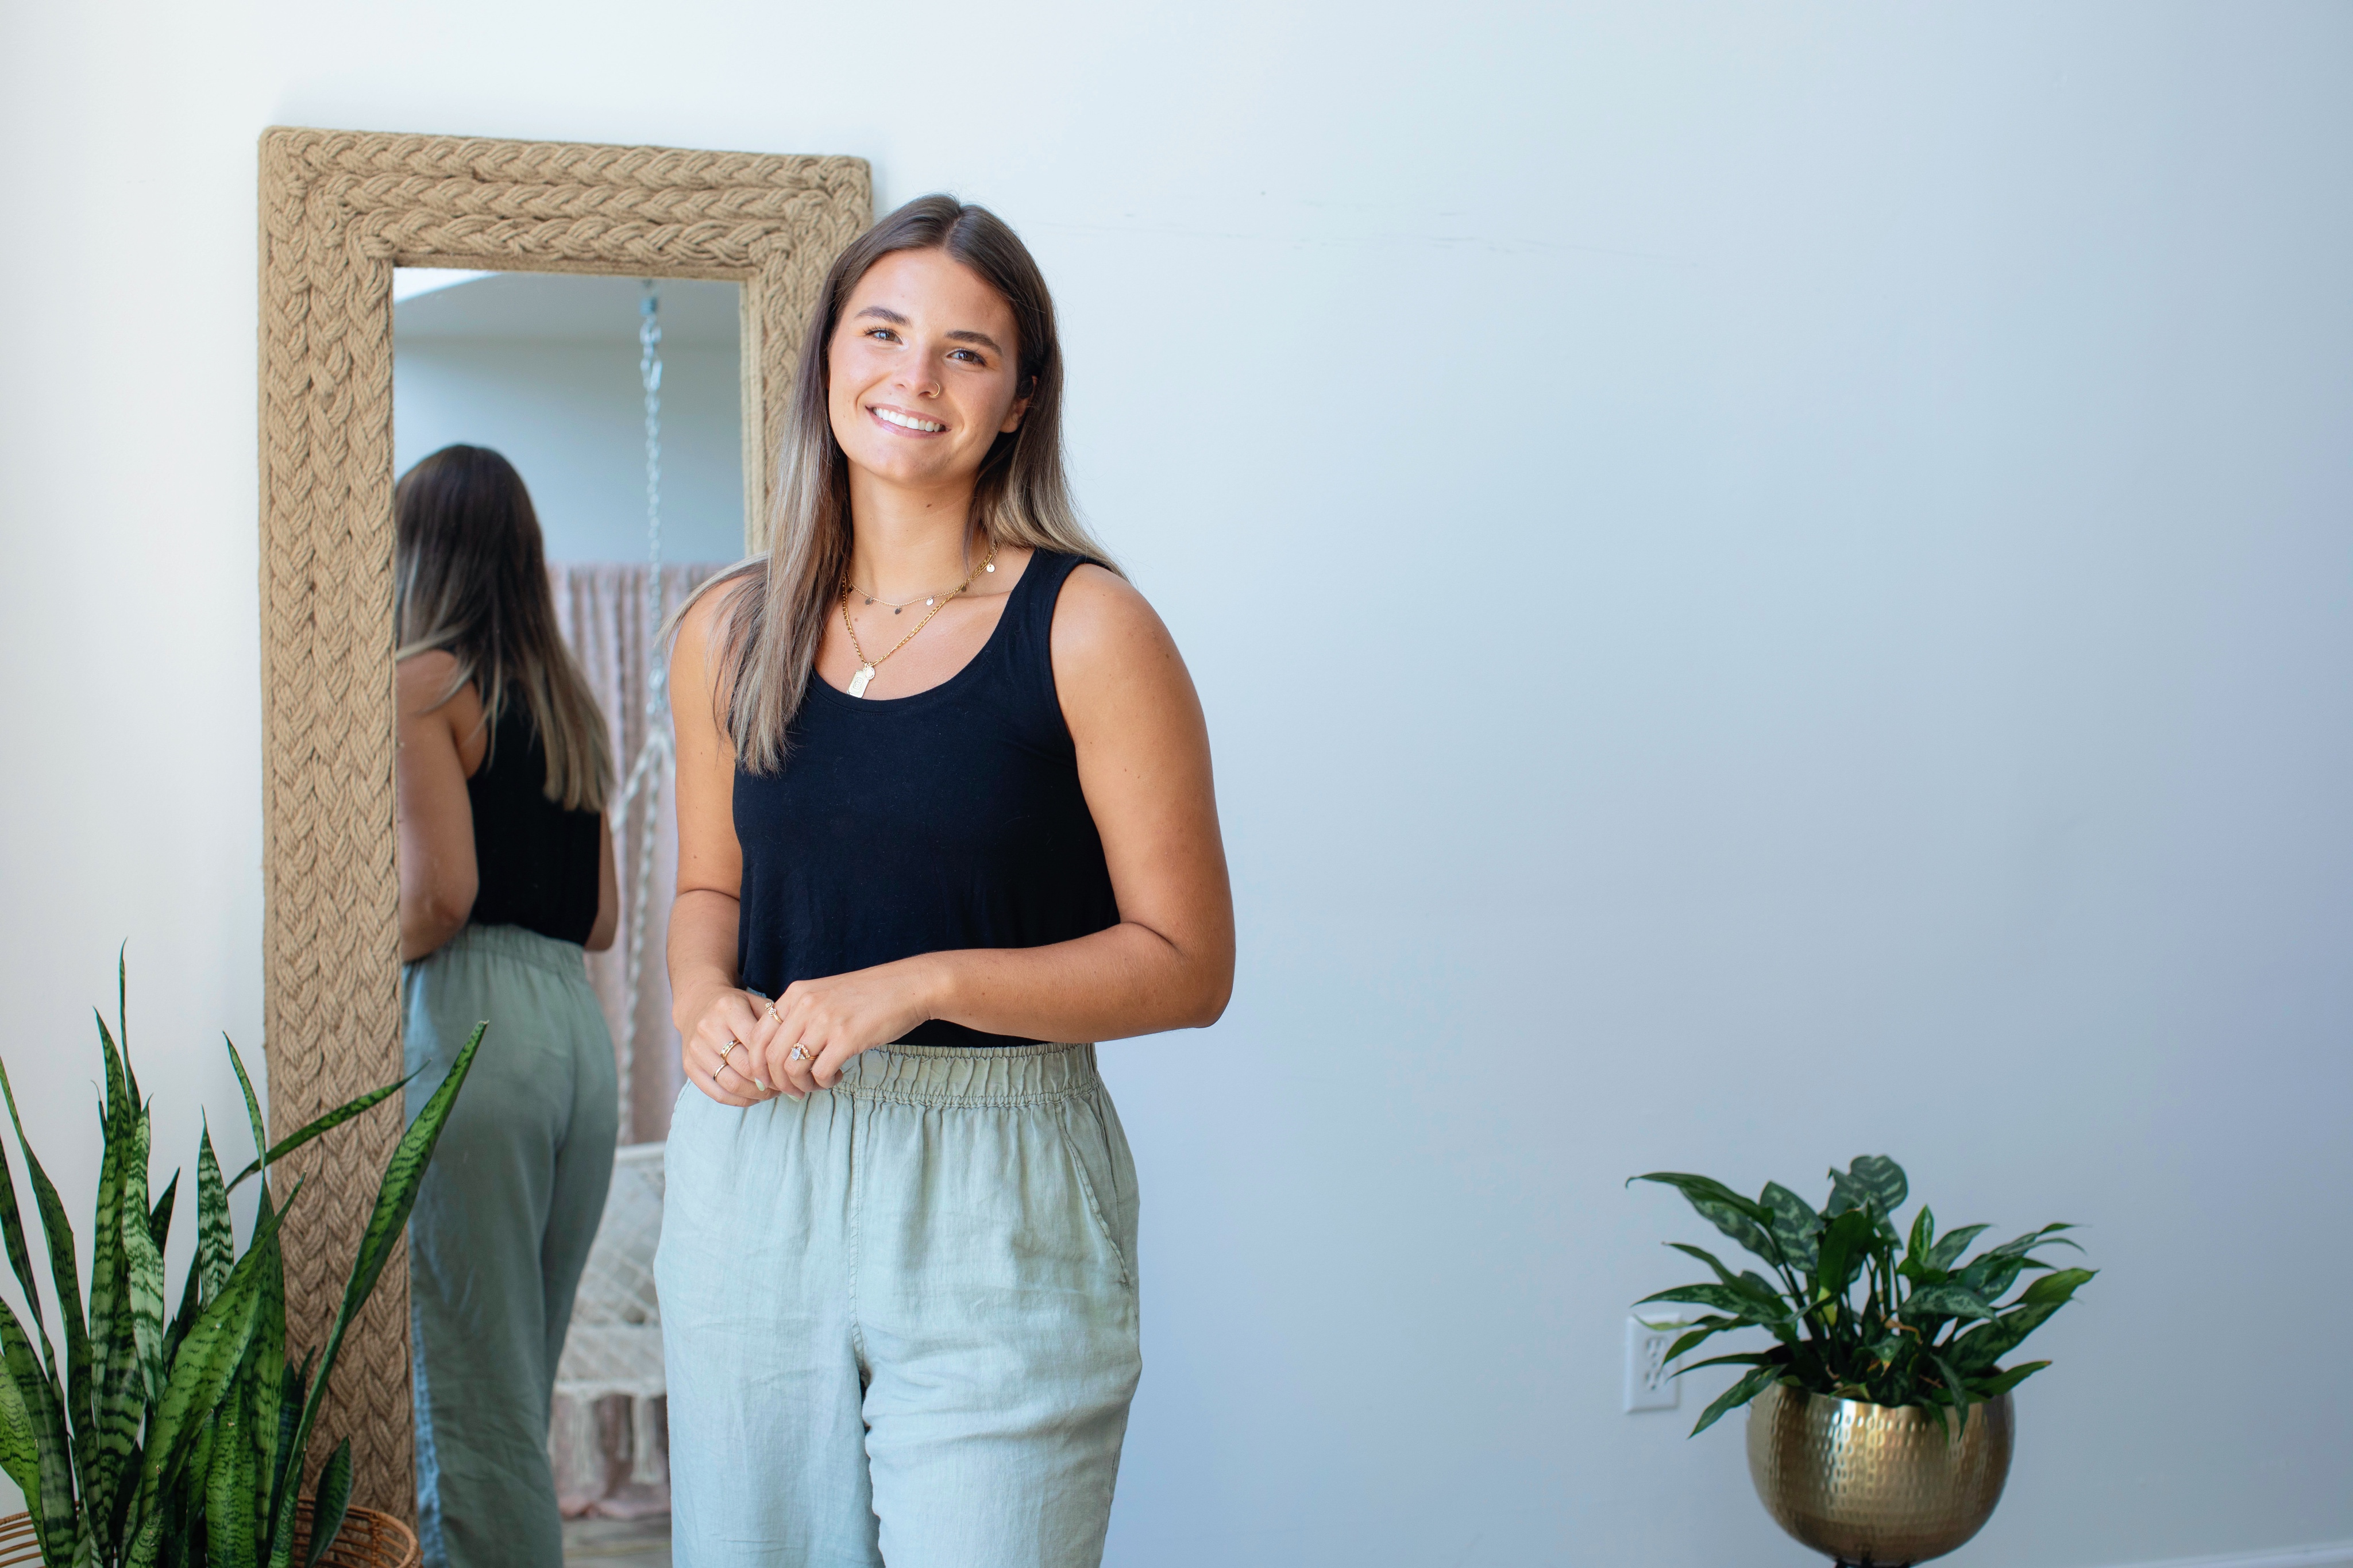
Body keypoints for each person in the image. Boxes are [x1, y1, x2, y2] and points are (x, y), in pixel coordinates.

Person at [656, 196, 1235, 1568]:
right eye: (884, 333)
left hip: (1002, 1189)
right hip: (753, 1179)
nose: (914, 379)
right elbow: (705, 898)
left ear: (1020, 401)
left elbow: (1188, 963)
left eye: (966, 353)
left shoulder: (1089, 627)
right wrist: (698, 1007)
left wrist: (921, 984)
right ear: (828, 360)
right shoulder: (726, 630)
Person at [394, 443, 622, 1568]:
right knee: (514, 1387)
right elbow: (601, 922)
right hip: (574, 1037)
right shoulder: (573, 706)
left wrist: (338, 958)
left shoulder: (421, 683)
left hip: (471, 1023)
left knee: (466, 1400)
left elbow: (439, 897)